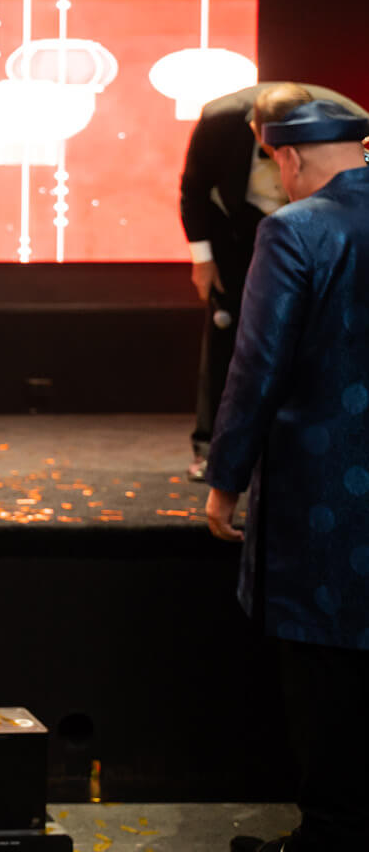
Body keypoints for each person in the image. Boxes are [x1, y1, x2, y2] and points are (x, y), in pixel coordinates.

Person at [204, 99, 369, 852]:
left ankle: (330, 835)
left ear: (290, 159)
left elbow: (257, 368)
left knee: (326, 675)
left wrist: (225, 478)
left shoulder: (297, 230)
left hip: (326, 498)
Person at [179, 83, 366, 481]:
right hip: (238, 231)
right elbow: (193, 189)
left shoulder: (349, 115)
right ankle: (213, 448)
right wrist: (203, 260)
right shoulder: (220, 120)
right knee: (236, 335)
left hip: (327, 227)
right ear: (255, 129)